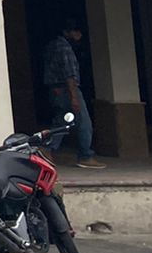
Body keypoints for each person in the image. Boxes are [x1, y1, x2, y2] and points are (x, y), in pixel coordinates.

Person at [42, 20, 105, 169]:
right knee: (83, 122)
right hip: (67, 89)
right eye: (76, 32)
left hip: (56, 89)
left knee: (62, 121)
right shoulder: (65, 48)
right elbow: (69, 74)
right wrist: (74, 96)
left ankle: (47, 148)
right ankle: (85, 155)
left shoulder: (52, 46)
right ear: (67, 32)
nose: (79, 35)